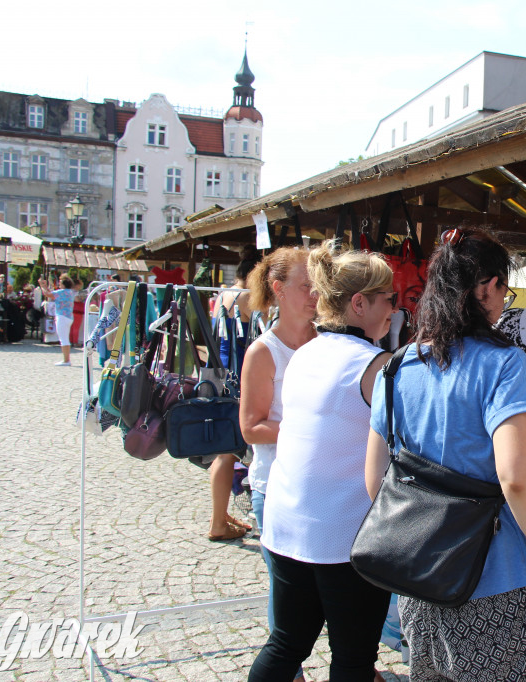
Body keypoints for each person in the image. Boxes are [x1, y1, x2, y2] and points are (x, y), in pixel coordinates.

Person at [365, 227, 526, 682]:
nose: (503, 300)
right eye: (503, 286)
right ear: (486, 286)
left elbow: (375, 479)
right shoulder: (505, 363)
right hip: (496, 580)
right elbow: (516, 477)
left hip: (419, 579)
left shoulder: (398, 366)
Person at [248, 244, 396, 682]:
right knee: (353, 659)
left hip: (288, 521)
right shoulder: (376, 364)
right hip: (342, 534)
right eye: (388, 297)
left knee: (286, 643)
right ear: (359, 303)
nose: (394, 308)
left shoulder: (305, 352)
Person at [239, 247, 317, 682]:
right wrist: (309, 433)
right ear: (278, 289)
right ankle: (288, 672)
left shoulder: (326, 342)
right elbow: (251, 428)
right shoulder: (263, 352)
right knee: (286, 595)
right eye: (306, 286)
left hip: (321, 486)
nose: (314, 295)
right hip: (277, 487)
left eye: (317, 287)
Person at [206, 258, 258, 541]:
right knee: (227, 451)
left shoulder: (223, 295)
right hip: (238, 374)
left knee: (223, 450)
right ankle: (218, 520)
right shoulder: (247, 298)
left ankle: (220, 514)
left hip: (220, 369)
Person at [43, 275, 77, 366]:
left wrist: (42, 286)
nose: (59, 284)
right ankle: (66, 359)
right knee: (65, 338)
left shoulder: (62, 292)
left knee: (63, 339)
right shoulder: (69, 292)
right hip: (68, 316)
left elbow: (48, 294)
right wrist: (45, 286)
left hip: (62, 316)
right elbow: (52, 293)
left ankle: (66, 360)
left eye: (60, 283)